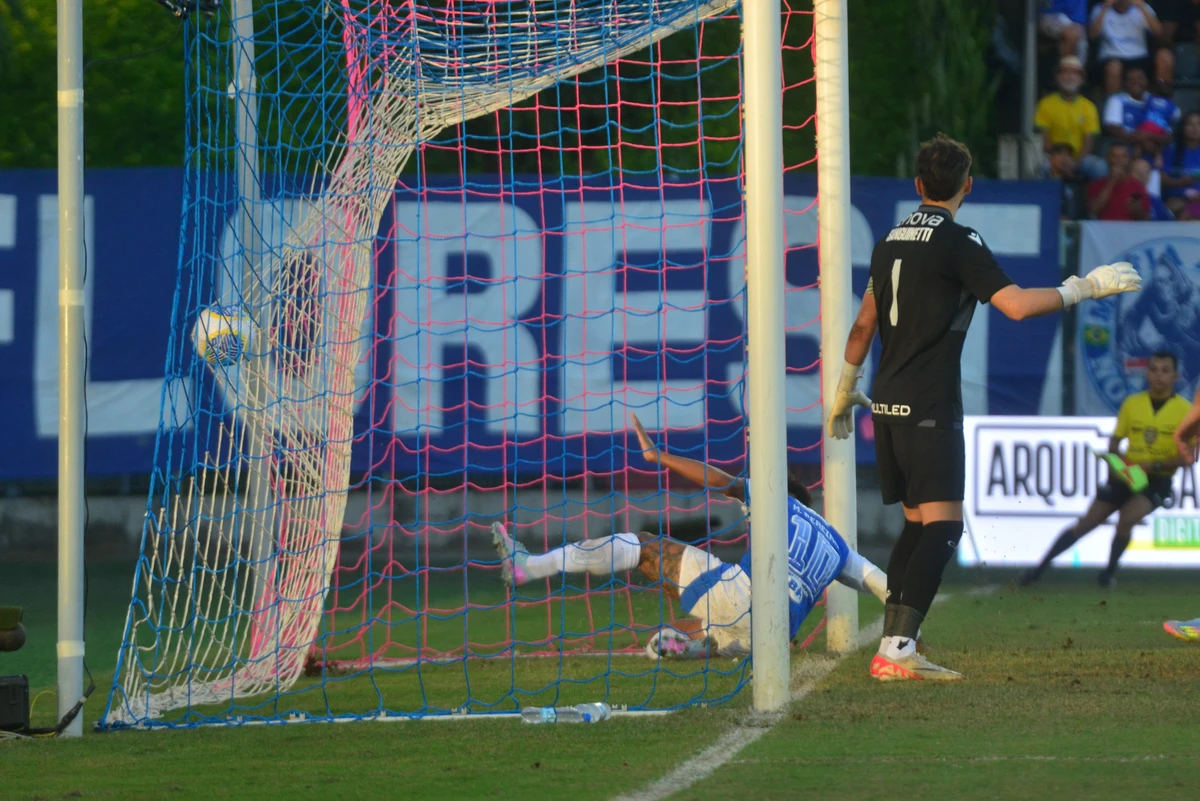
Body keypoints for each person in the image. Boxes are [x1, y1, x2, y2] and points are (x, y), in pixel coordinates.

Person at [827, 133, 1142, 681]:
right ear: (966, 187)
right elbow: (1016, 306)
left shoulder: (887, 242)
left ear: (918, 185)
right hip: (929, 405)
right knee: (944, 529)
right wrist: (1085, 288)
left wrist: (843, 389)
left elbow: (862, 325)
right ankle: (898, 649)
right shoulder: (957, 241)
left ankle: (898, 642)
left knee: (916, 527)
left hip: (887, 404)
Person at [493, 413, 891, 663]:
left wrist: (658, 456)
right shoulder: (839, 545)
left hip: (742, 598)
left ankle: (529, 567)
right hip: (771, 639)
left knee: (647, 547)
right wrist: (909, 633)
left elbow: (720, 481)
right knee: (706, 616)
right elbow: (884, 586)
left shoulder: (774, 499)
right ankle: (700, 646)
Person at [1021, 352, 1192, 588]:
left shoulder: (1186, 411)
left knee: (1127, 519)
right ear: (1147, 373)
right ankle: (1037, 570)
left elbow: (1189, 456)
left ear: (1176, 375)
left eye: (1165, 370)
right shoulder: (1133, 403)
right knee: (1086, 524)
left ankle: (1108, 574)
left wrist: (1154, 465)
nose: (1159, 375)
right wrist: (1116, 462)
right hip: (1127, 475)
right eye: (1154, 369)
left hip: (1157, 480)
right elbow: (1114, 443)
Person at [1035, 56, 1106, 180]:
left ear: (1081, 79)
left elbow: (1088, 142)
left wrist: (1074, 163)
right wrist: (1057, 160)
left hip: (1078, 158)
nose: (1069, 76)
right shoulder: (1046, 104)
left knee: (1100, 167)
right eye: (1065, 72)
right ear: (1057, 77)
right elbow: (1043, 139)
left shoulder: (1089, 106)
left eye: (1074, 72)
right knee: (1038, 166)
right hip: (1051, 156)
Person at [1089, 0, 1168, 97]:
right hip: (1111, 56)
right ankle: (1112, 105)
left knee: (1165, 56)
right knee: (1114, 67)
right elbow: (1092, 35)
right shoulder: (1100, 8)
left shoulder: (1142, 7)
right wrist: (1105, 8)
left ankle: (1163, 102)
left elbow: (1158, 32)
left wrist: (1141, 6)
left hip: (1140, 57)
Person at [1102, 66, 1180, 154]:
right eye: (1130, 79)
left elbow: (1170, 132)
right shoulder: (1117, 100)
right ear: (1125, 83)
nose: (1135, 82)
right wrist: (1140, 139)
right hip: (1128, 151)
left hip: (1158, 151)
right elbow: (1113, 129)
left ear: (1147, 81)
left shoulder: (1158, 101)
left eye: (1140, 78)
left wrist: (1147, 136)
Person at [1087, 143, 1151, 220]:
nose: (1119, 160)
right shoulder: (1096, 184)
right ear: (1107, 159)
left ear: (1128, 160)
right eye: (1114, 156)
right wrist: (1112, 182)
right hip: (1104, 230)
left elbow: (1146, 219)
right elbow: (1093, 211)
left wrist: (1138, 210)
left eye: (1123, 156)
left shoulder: (1138, 186)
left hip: (1130, 230)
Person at [1162, 110, 1200, 220]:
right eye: (1190, 124)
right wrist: (1181, 182)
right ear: (1183, 128)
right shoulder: (1171, 150)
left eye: (1199, 124)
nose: (1195, 128)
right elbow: (1164, 179)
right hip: (1177, 199)